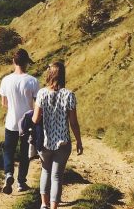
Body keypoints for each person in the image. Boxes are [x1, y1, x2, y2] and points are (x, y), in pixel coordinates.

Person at [33, 61, 82, 209]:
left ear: (49, 74)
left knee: (45, 171)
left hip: (45, 142)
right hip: (63, 142)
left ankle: (43, 204)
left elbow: (35, 119)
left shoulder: (41, 93)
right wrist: (79, 141)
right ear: (63, 75)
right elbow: (73, 122)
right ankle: (54, 206)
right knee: (56, 176)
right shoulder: (69, 95)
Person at [0, 48, 38, 194]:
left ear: (13, 61)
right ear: (27, 62)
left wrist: (13, 106)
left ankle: (9, 174)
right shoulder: (33, 81)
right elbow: (37, 105)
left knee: (8, 150)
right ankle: (21, 182)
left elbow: (4, 103)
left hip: (11, 121)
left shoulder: (6, 80)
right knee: (24, 153)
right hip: (27, 123)